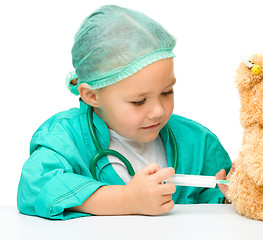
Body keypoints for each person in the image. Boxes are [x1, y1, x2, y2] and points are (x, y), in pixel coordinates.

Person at [17, 5, 233, 220]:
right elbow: (35, 185)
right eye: (139, 101)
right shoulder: (65, 139)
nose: (158, 110)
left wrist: (232, 196)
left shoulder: (198, 142)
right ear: (92, 96)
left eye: (167, 91)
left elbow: (215, 203)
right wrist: (125, 199)